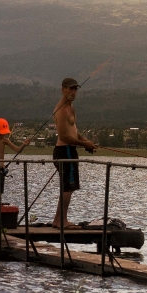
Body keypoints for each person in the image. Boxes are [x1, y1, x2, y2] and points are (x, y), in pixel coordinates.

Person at [52, 77, 98, 229]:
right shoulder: (61, 110)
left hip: (70, 150)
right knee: (68, 187)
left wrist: (86, 143)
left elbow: (74, 132)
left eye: (75, 89)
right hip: (64, 151)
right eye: (70, 88)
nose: (73, 92)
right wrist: (84, 143)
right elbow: (64, 136)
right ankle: (62, 221)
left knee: (67, 187)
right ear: (63, 89)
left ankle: (58, 220)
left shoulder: (71, 107)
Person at [0, 118, 30, 233]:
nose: (2, 136)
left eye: (4, 134)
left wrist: (24, 144)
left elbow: (17, 149)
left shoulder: (5, 141)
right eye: (0, 133)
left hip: (0, 172)